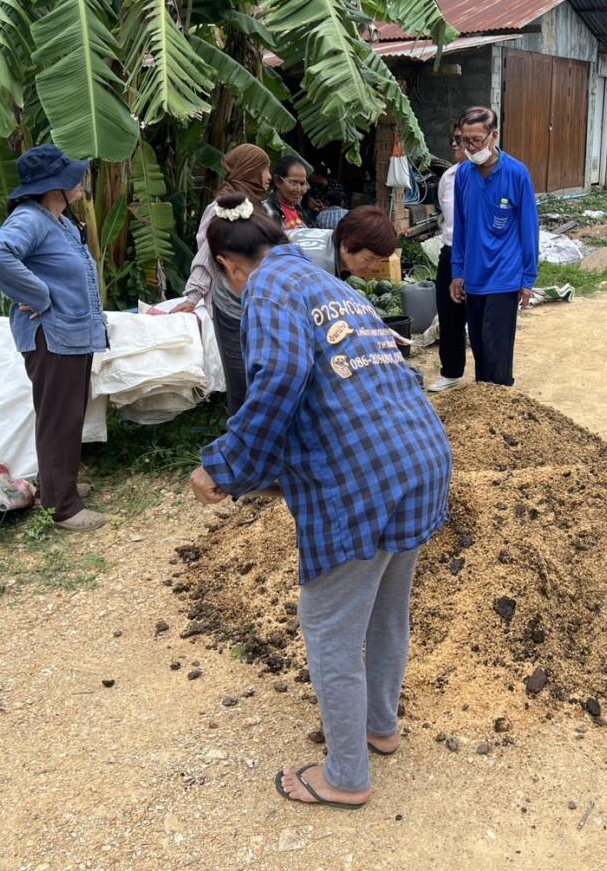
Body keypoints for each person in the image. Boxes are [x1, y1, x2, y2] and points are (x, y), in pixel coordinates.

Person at [189, 193, 452, 810]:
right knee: (387, 609)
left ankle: (346, 777)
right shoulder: (329, 286)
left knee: (331, 627)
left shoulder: (267, 291)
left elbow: (279, 379)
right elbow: (394, 372)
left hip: (364, 479)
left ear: (230, 265)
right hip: (420, 457)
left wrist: (224, 467)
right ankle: (379, 728)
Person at [0, 144, 108, 532]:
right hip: (51, 336)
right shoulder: (31, 220)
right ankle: (65, 509)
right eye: (74, 177)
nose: (81, 182)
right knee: (59, 417)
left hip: (70, 333)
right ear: (56, 186)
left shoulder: (59, 220)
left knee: (67, 414)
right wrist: (37, 295)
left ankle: (57, 488)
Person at [175, 144, 272, 414]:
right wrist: (193, 295)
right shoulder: (223, 208)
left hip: (261, 305)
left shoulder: (259, 207)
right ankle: (243, 442)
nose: (269, 176)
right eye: (265, 169)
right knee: (242, 380)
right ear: (250, 170)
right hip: (232, 309)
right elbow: (206, 254)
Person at [450, 106, 539, 387]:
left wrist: (528, 279)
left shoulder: (516, 174)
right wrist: (458, 271)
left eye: (476, 140)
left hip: (504, 277)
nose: (470, 146)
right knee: (478, 348)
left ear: (494, 136)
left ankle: (502, 409)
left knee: (497, 351)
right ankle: (485, 417)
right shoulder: (464, 175)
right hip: (474, 279)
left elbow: (529, 229)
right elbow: (460, 228)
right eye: (464, 140)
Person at [428, 126, 469, 393]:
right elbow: (447, 218)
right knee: (449, 313)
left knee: (479, 316)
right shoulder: (449, 177)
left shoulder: (496, 176)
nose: (454, 144)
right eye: (452, 139)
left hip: (479, 255)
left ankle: (490, 377)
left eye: (461, 140)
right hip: (451, 251)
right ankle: (451, 372)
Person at [289, 204, 396, 280]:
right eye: (368, 259)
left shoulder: (334, 237)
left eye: (380, 261)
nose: (373, 267)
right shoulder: (317, 269)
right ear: (346, 244)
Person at [265, 156, 315, 231]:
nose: (298, 189)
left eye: (302, 184)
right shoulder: (267, 210)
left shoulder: (300, 211)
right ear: (278, 181)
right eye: (293, 183)